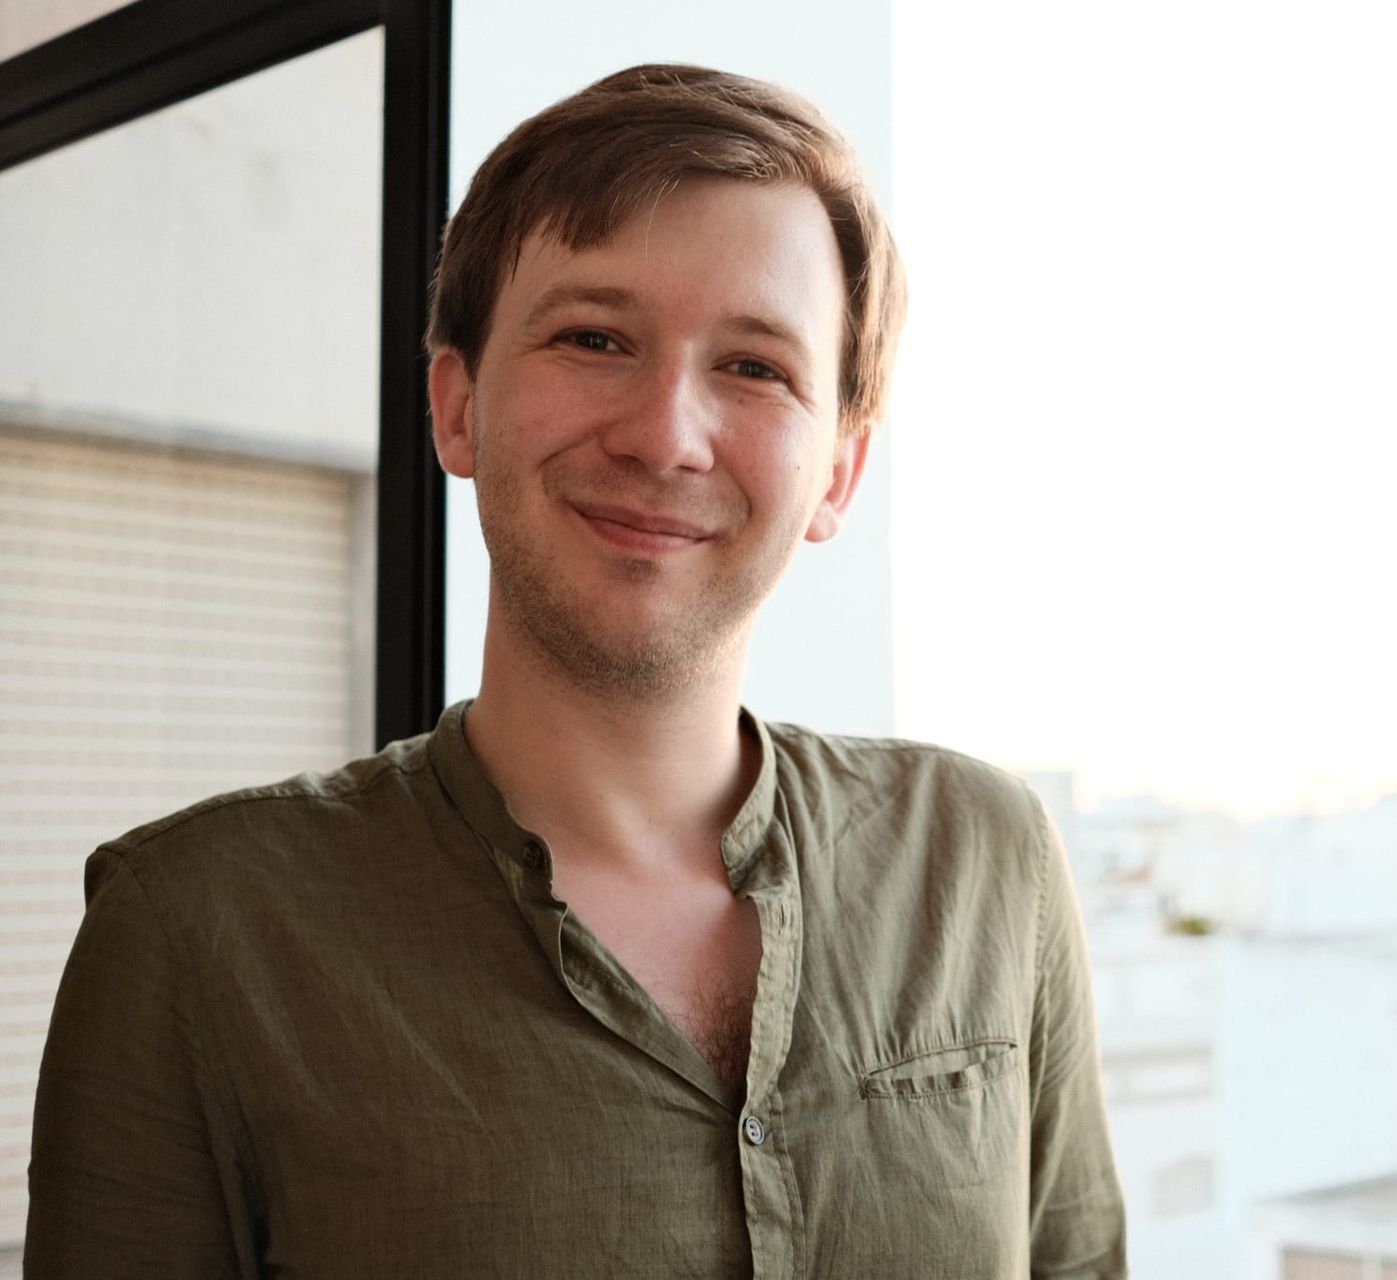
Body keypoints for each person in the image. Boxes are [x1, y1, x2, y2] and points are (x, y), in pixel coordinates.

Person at [24, 64, 1126, 1277]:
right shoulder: (195, 931)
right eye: (594, 337)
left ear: (838, 474)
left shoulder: (985, 857)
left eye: (755, 366)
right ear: (458, 406)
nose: (665, 432)